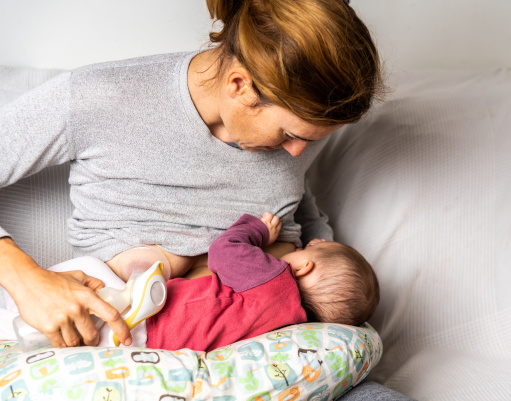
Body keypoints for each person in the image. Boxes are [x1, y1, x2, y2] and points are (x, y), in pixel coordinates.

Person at [0, 0, 409, 399]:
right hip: (132, 359)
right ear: (239, 86)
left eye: (313, 139)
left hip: (280, 360)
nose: (298, 152)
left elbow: (299, 202)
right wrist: (25, 279)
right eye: (288, 134)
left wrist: (334, 286)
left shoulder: (297, 128)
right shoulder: (96, 97)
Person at [1, 212, 380, 351]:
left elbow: (223, 250)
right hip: (150, 345)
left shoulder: (273, 277)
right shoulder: (289, 325)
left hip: (144, 314)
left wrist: (258, 231)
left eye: (309, 250)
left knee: (85, 270)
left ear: (302, 268)